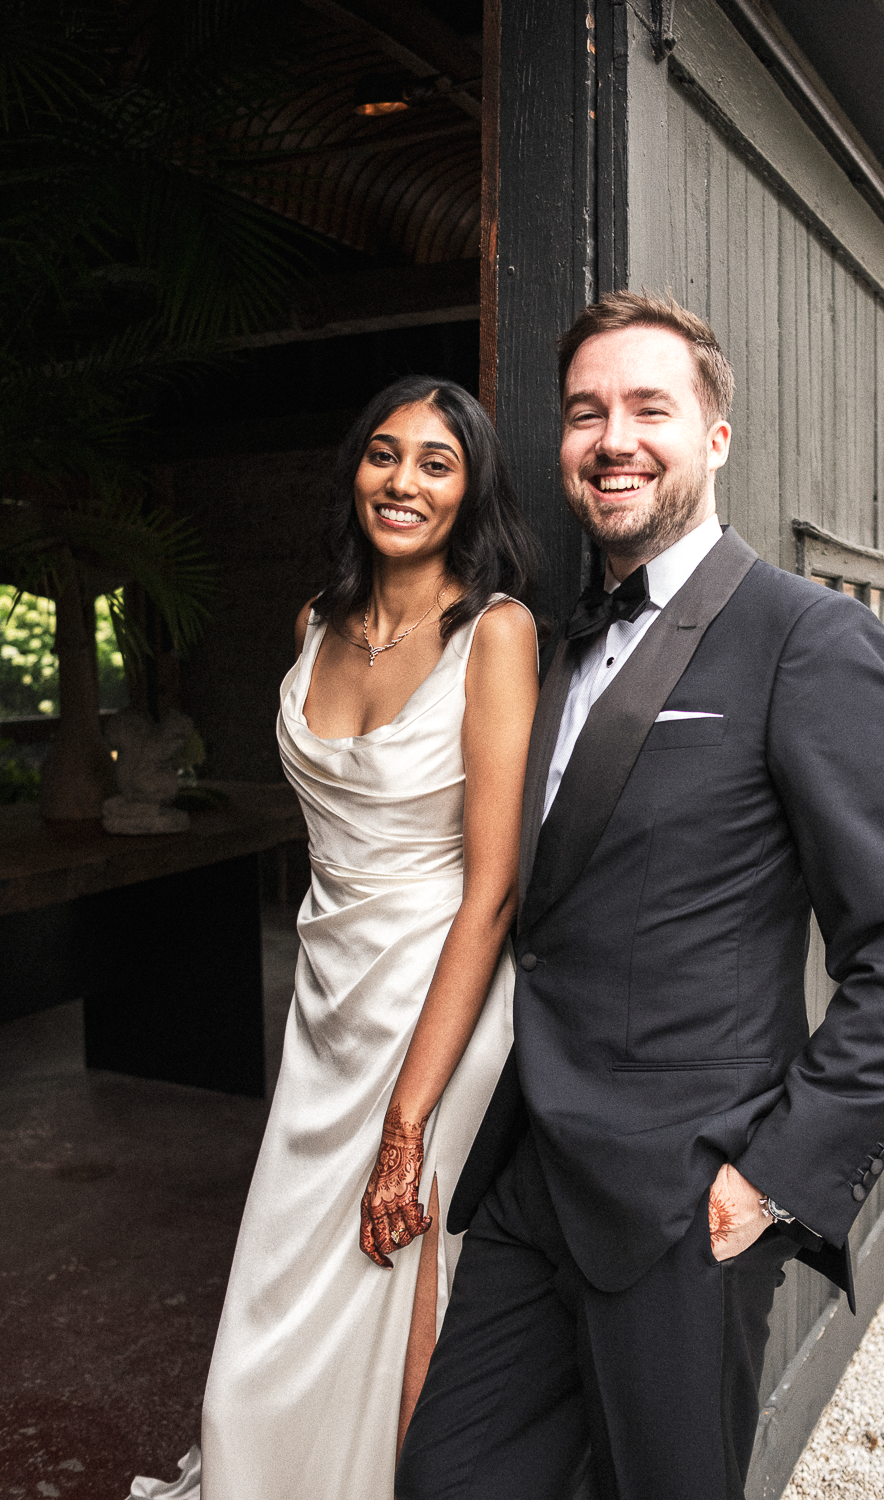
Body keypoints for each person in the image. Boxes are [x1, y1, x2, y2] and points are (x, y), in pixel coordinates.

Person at [395, 293, 884, 1500]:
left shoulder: (807, 639)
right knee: (445, 1478)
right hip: (532, 1178)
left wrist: (771, 1179)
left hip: (683, 1203)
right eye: (585, 412)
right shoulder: (557, 649)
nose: (614, 438)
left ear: (714, 436)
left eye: (649, 408)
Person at [131, 376, 539, 1500]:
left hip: (439, 1000)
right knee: (275, 1303)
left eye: (436, 463)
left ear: (470, 492)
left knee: (399, 1286)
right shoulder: (312, 621)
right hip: (327, 1000)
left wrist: (407, 1121)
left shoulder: (494, 634)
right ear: (355, 469)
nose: (402, 480)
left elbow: (493, 890)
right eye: (382, 453)